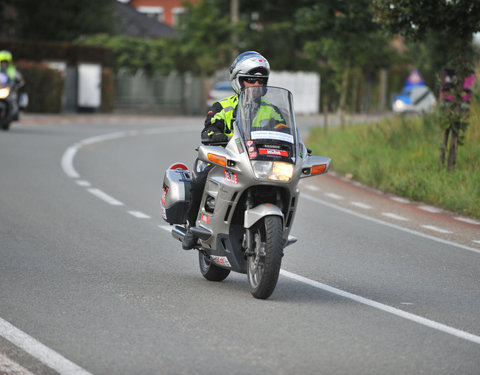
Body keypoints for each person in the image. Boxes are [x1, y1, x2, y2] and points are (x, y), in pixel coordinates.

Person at [182, 51, 272, 250]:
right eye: (250, 80)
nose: (256, 86)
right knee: (199, 183)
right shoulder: (222, 107)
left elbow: (283, 131)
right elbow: (208, 131)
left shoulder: (272, 111)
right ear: (238, 81)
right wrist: (217, 137)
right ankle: (192, 227)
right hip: (226, 162)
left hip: (258, 164)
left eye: (261, 81)